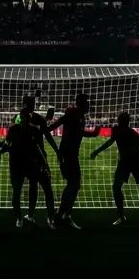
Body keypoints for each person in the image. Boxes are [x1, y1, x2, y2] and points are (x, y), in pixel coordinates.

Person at [89, 111, 139, 226]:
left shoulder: (130, 133)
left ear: (122, 121)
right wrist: (97, 151)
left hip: (135, 162)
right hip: (125, 162)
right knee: (118, 187)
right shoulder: (119, 130)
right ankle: (123, 216)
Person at [0, 106, 56, 228]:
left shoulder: (34, 130)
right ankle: (21, 217)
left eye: (27, 118)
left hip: (31, 164)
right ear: (20, 118)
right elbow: (7, 142)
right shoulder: (14, 130)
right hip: (17, 165)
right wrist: (0, 151)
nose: (25, 120)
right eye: (23, 118)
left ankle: (34, 216)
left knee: (36, 189)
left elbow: (39, 148)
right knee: (17, 194)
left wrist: (44, 164)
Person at [48, 92, 100, 229]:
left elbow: (78, 132)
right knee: (74, 183)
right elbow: (60, 124)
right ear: (81, 103)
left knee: (75, 184)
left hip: (71, 154)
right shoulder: (72, 113)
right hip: (67, 153)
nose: (89, 105)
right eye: (87, 102)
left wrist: (93, 134)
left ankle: (64, 214)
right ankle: (59, 215)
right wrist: (44, 129)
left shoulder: (80, 116)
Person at [17, 94, 60, 223]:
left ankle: (33, 216)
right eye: (32, 103)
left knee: (37, 187)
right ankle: (46, 218)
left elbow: (45, 134)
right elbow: (47, 135)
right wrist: (57, 151)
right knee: (41, 187)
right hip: (35, 158)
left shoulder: (20, 119)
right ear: (26, 104)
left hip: (32, 158)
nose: (33, 105)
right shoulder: (28, 119)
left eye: (33, 103)